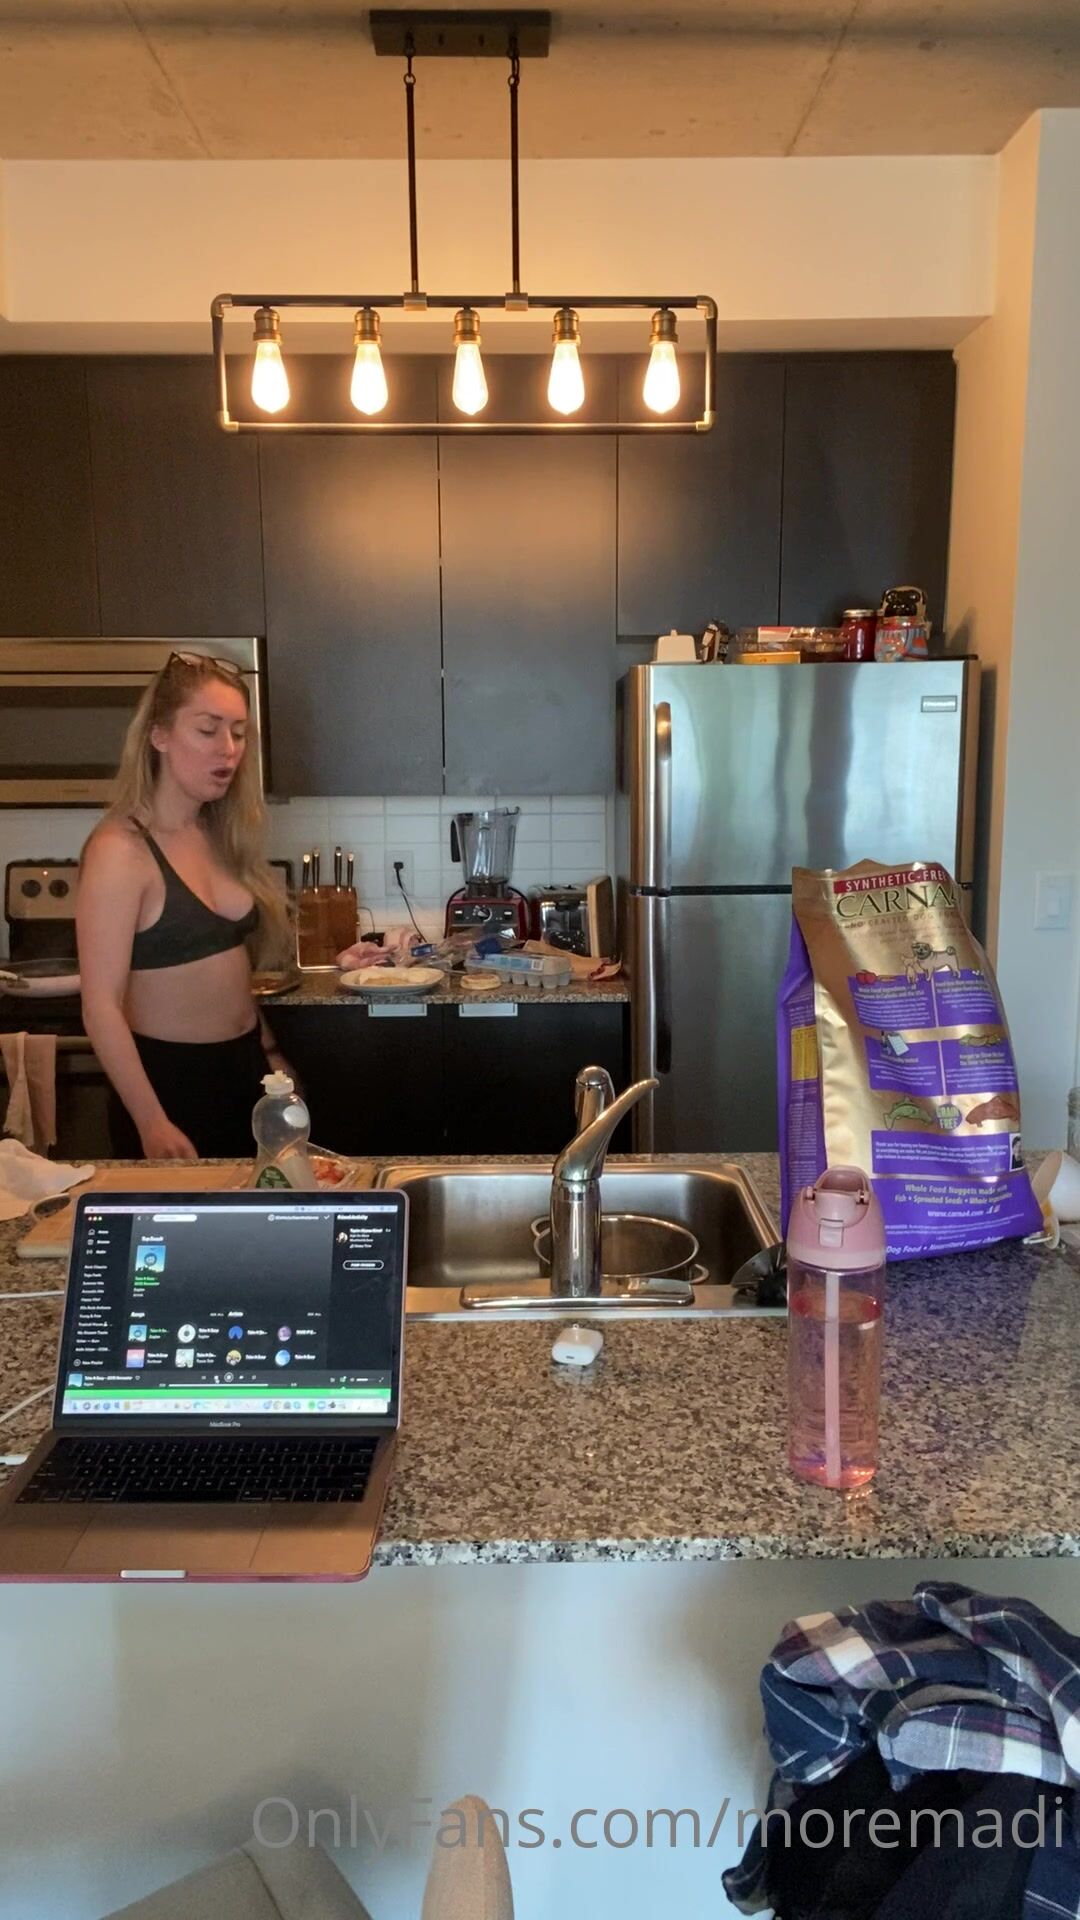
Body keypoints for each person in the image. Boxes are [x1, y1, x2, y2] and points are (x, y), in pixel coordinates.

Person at [77, 651, 293, 1160]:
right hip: (170, 1086)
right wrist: (151, 1121)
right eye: (208, 730)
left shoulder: (216, 832)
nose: (228, 750)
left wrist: (270, 1057)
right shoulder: (120, 850)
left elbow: (230, 971)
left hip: (245, 1072)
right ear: (159, 736)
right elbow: (100, 1006)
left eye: (238, 733)